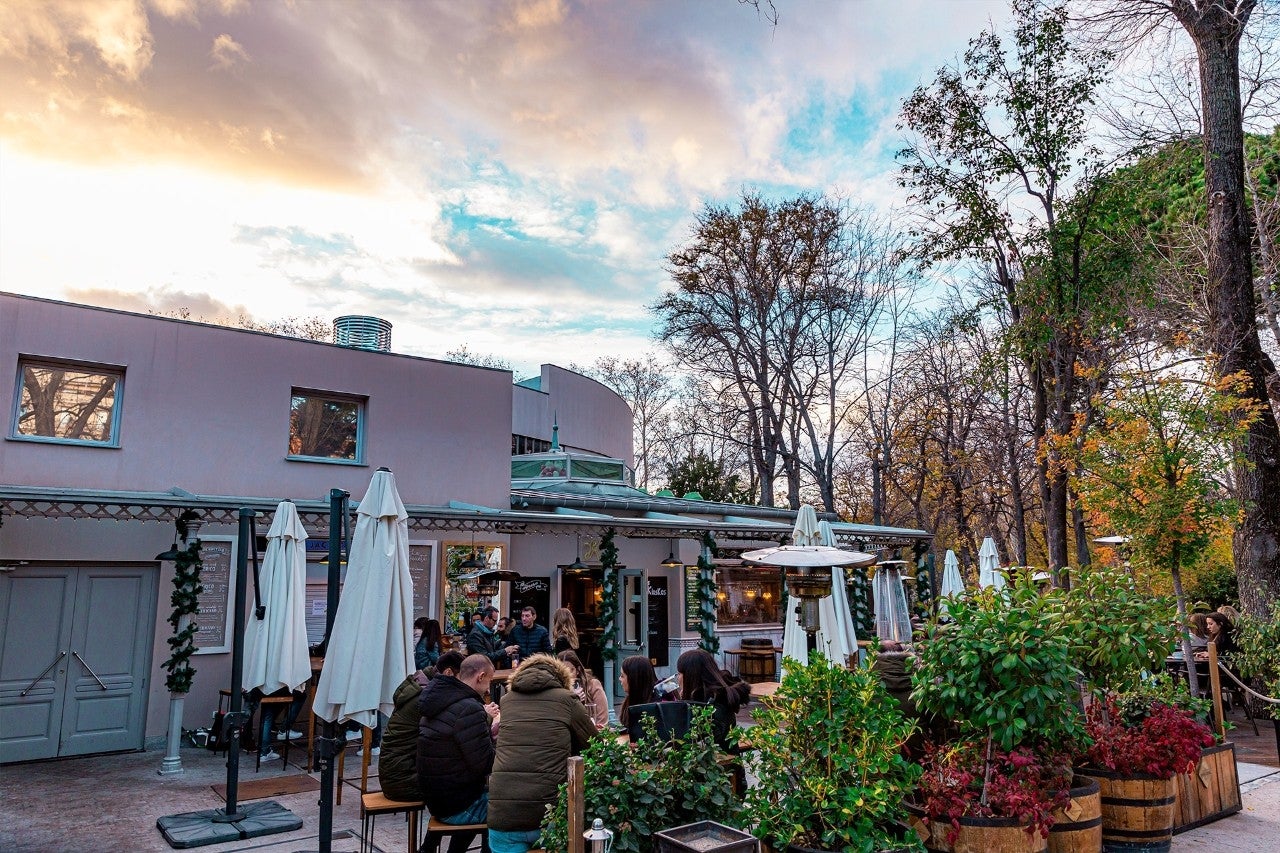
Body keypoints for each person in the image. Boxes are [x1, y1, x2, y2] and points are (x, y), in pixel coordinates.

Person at [487, 654, 599, 853]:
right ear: (563, 678)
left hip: (503, 815)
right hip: (549, 814)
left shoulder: (507, 701)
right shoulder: (567, 700)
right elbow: (595, 746)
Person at [417, 654, 499, 853]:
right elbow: (486, 764)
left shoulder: (440, 700)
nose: (489, 689)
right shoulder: (469, 708)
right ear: (480, 677)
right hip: (455, 803)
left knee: (481, 798)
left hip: (437, 798)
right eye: (488, 681)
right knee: (504, 808)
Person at [676, 648, 750, 751]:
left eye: (679, 674)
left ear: (690, 677)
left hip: (721, 764)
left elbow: (701, 743)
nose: (677, 678)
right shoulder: (720, 696)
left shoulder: (712, 705)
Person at [618, 654, 676, 728]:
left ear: (634, 679)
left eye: (622, 676)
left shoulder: (656, 709)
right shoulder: (633, 699)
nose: (619, 678)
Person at [558, 649, 609, 729]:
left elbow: (602, 721)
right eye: (562, 672)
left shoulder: (593, 685)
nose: (566, 675)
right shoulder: (557, 690)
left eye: (570, 670)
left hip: (592, 736)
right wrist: (572, 699)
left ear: (578, 670)